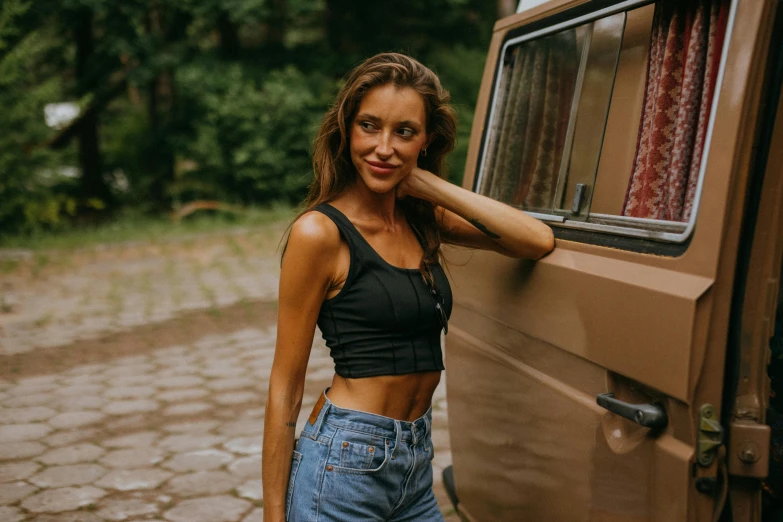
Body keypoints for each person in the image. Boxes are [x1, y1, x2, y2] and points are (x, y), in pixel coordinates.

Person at [262, 52, 555, 522]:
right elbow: (285, 385)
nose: (383, 147)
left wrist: (427, 184)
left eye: (404, 132)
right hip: (343, 465)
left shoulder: (423, 219)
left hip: (415, 464)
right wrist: (273, 515)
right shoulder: (320, 233)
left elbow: (535, 240)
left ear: (426, 140)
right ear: (347, 131)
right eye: (369, 126)